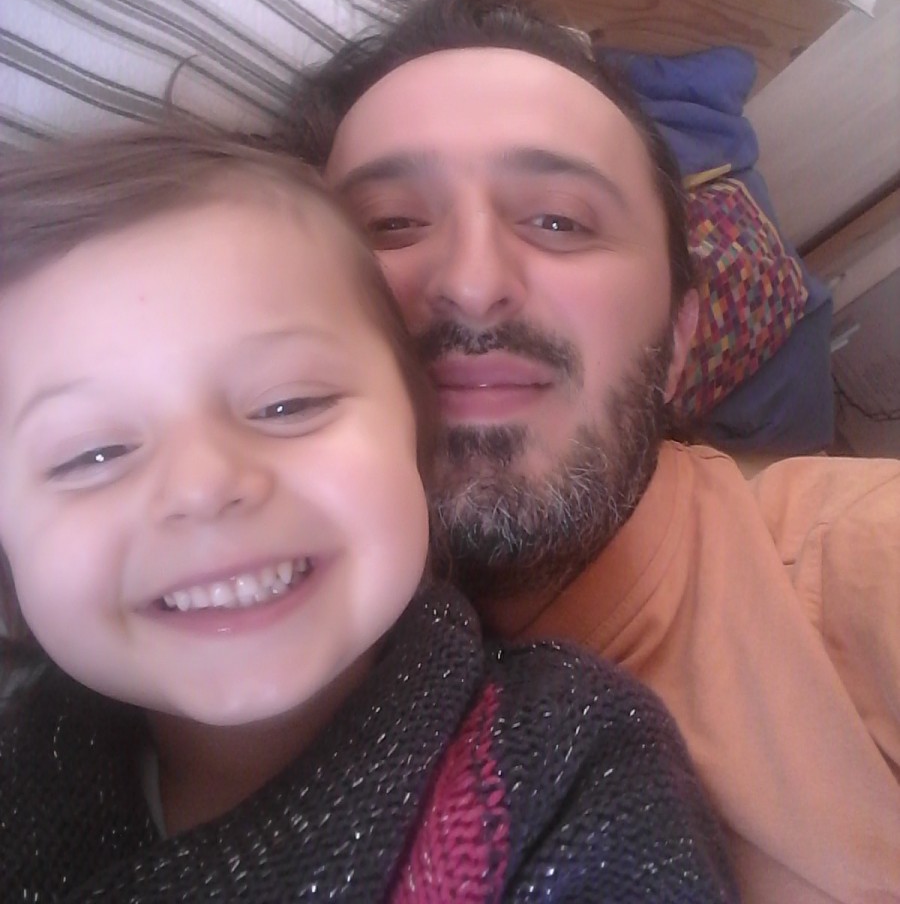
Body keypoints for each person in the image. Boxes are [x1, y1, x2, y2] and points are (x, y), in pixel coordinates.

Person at [0, 129, 736, 903]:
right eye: (90, 454)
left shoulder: (566, 759)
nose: (204, 485)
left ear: (420, 437)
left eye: (289, 404)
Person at [281, 0, 900, 904]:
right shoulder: (220, 673)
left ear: (679, 340)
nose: (471, 283)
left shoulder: (861, 556)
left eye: (560, 221)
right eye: (390, 225)